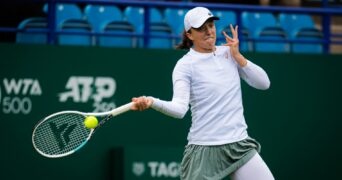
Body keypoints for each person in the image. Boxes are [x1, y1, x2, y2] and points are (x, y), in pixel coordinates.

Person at [131, 7, 274, 180]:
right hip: (204, 149)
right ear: (190, 34)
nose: (209, 31)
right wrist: (152, 102)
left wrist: (238, 56)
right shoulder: (185, 66)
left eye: (211, 25)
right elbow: (179, 109)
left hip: (239, 145)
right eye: (201, 28)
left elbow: (264, 83)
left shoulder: (230, 54)